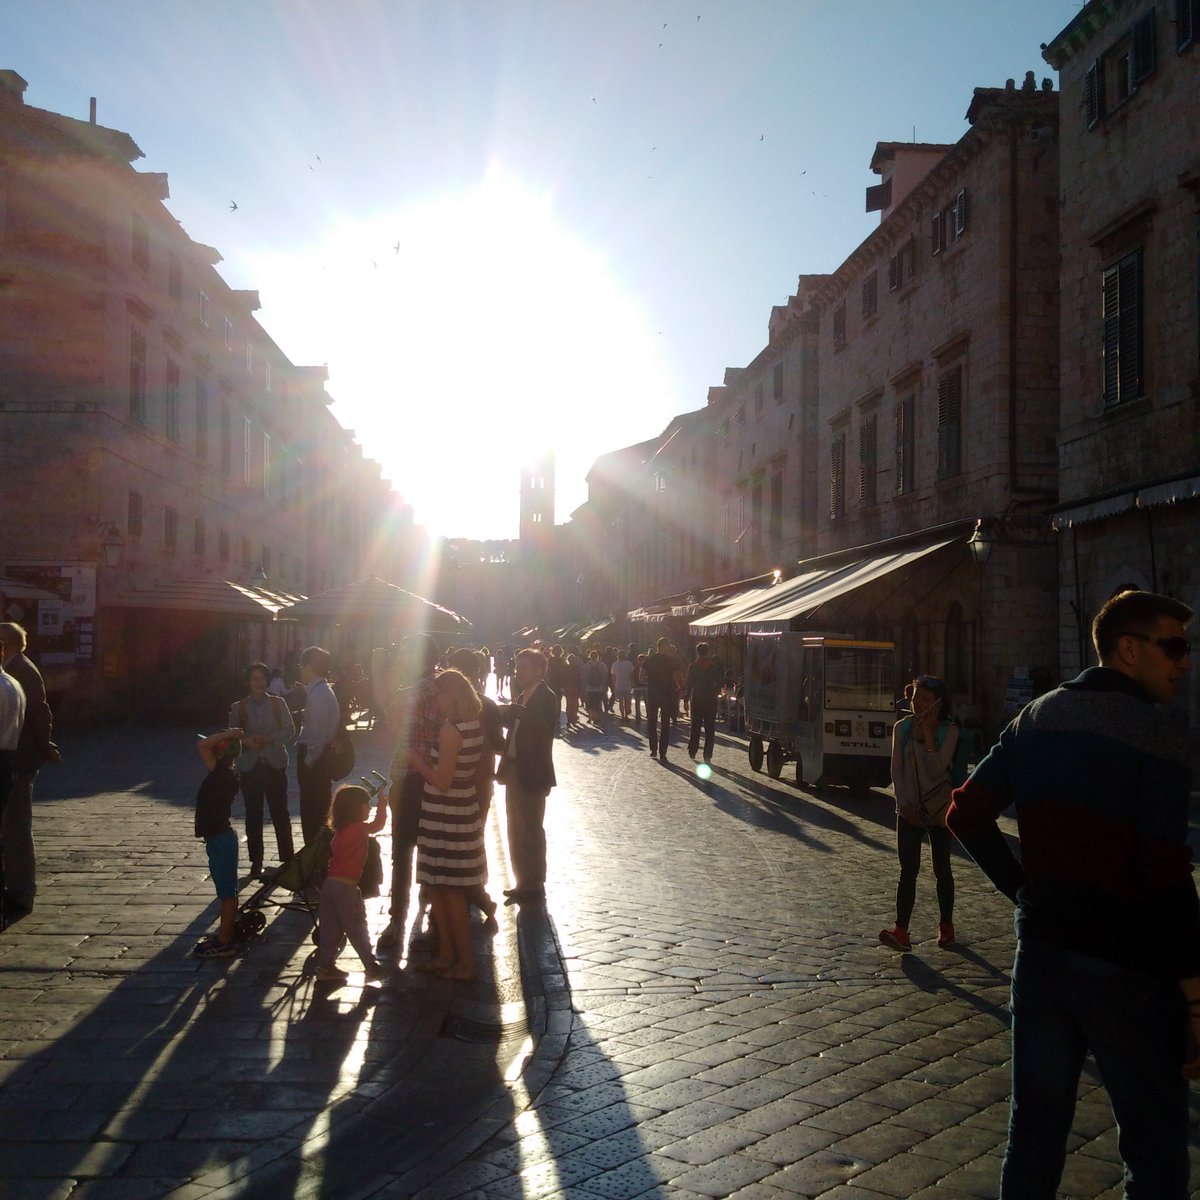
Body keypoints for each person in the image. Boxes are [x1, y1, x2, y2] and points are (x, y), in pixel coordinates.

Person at [947, 590, 1197, 1198]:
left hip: (1044, 961)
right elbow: (1165, 875)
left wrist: (1023, 891)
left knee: (1033, 1138)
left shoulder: (1036, 718)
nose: (1184, 664)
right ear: (1129, 650)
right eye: (1174, 647)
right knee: (1155, 1149)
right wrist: (1194, 994)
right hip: (1129, 969)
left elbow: (965, 813)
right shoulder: (1159, 736)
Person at [407, 669, 486, 981]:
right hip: (454, 810)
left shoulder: (453, 730)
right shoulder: (471, 724)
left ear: (451, 696)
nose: (435, 701)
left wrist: (417, 761)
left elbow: (442, 780)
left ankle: (464, 961)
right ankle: (447, 955)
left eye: (439, 695)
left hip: (447, 813)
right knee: (438, 885)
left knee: (450, 889)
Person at [879, 674, 961, 952]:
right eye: (915, 698)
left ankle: (946, 926)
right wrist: (904, 806)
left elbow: (938, 769)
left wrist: (927, 736)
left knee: (942, 867)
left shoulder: (949, 731)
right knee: (908, 870)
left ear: (938, 703)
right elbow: (897, 769)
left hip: (938, 808)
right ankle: (901, 929)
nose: (918, 705)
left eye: (925, 700)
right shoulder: (901, 728)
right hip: (909, 809)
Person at [378, 634, 440, 952]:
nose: (401, 657)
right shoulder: (422, 685)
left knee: (406, 851)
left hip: (416, 777)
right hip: (406, 774)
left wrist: (384, 677)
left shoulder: (428, 684)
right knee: (404, 851)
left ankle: (402, 919)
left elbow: (393, 703)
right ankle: (404, 916)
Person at [0, 622, 57, 915]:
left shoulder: (19, 671)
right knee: (13, 827)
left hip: (17, 760)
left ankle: (21, 892)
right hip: (18, 758)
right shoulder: (16, 670)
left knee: (16, 827)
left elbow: (40, 712)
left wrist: (45, 745)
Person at [496, 648, 557, 904]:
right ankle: (522, 881)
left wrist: (518, 714)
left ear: (538, 670)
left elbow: (543, 730)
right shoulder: (523, 695)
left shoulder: (546, 696)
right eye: (517, 667)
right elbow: (518, 728)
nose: (518, 672)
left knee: (530, 828)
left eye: (523, 667)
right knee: (515, 827)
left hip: (531, 772)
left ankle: (534, 883)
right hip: (514, 769)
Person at [313, 784, 389, 983]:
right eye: (367, 805)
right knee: (357, 927)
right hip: (346, 887)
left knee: (331, 928)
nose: (369, 808)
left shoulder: (340, 831)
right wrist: (383, 801)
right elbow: (378, 825)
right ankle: (370, 966)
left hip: (330, 885)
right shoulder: (358, 828)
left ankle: (326, 966)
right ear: (355, 809)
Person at [229, 662, 296, 879]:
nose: (258, 682)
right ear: (248, 682)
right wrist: (247, 741)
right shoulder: (238, 707)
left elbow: (289, 729)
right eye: (254, 678)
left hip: (274, 763)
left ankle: (287, 859)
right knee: (253, 814)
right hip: (250, 765)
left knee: (280, 813)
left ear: (267, 681)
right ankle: (256, 861)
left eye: (261, 678)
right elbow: (232, 737)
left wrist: (269, 739)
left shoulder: (278, 704)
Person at [193, 727, 245, 958]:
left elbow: (202, 746)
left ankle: (225, 941)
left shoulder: (221, 773)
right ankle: (225, 934)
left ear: (221, 754)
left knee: (227, 894)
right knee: (226, 891)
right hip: (219, 837)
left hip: (221, 839)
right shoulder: (226, 773)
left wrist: (228, 734)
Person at [295, 646, 341, 844]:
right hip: (319, 757)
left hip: (316, 759)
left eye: (301, 665)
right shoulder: (321, 691)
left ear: (308, 666)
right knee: (316, 809)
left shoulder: (319, 693)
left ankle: (314, 856)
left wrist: (308, 760)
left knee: (312, 811)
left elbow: (318, 734)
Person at [642, 637, 684, 761]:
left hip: (652, 693)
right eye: (668, 645)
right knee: (665, 723)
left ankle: (653, 749)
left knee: (652, 722)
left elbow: (641, 677)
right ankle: (663, 752)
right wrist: (680, 688)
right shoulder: (670, 661)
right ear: (664, 646)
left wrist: (650, 681)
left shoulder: (649, 660)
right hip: (666, 694)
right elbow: (678, 676)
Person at [685, 642, 724, 764]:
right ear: (707, 652)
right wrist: (716, 693)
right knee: (710, 728)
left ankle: (692, 750)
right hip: (710, 700)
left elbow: (689, 684)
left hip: (697, 699)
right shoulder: (713, 667)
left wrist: (686, 699)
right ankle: (708, 754)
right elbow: (719, 683)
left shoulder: (693, 666)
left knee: (695, 726)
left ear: (697, 652)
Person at [582, 650, 608, 727]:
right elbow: (605, 675)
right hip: (599, 687)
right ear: (597, 657)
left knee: (589, 703)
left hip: (589, 687)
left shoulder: (587, 665)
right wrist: (604, 685)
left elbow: (584, 676)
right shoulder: (602, 665)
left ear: (590, 656)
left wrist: (584, 686)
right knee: (597, 702)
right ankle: (596, 717)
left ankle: (590, 717)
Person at [610, 650, 636, 721]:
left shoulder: (615, 664)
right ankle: (626, 715)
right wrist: (632, 683)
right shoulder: (629, 664)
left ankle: (622, 716)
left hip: (618, 685)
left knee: (621, 701)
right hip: (627, 684)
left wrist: (613, 685)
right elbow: (631, 674)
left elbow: (613, 676)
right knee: (627, 700)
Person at [630, 654, 648, 726]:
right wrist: (633, 685)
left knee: (647, 703)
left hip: (645, 687)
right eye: (640, 660)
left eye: (642, 660)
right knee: (637, 703)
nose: (641, 662)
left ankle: (648, 716)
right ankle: (638, 717)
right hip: (638, 687)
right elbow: (633, 678)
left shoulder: (647, 669)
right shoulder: (635, 669)